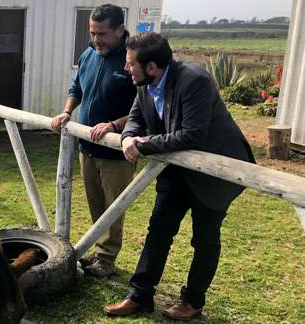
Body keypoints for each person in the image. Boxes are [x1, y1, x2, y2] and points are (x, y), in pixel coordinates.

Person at [104, 32, 255, 320]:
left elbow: (192, 134)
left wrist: (144, 145)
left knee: (205, 240)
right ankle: (140, 296)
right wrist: (127, 137)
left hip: (215, 173)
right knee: (158, 229)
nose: (126, 69)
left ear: (151, 67)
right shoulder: (144, 83)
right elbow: (136, 117)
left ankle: (192, 302)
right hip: (176, 169)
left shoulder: (194, 80)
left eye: (130, 64)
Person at [50, 4, 137, 277]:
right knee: (95, 203)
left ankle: (107, 259)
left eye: (102, 34)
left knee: (113, 207)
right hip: (87, 146)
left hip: (116, 152)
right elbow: (76, 87)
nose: (96, 39)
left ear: (119, 30)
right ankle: (98, 251)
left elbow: (143, 106)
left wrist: (114, 125)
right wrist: (66, 111)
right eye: (92, 33)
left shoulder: (133, 59)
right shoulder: (89, 53)